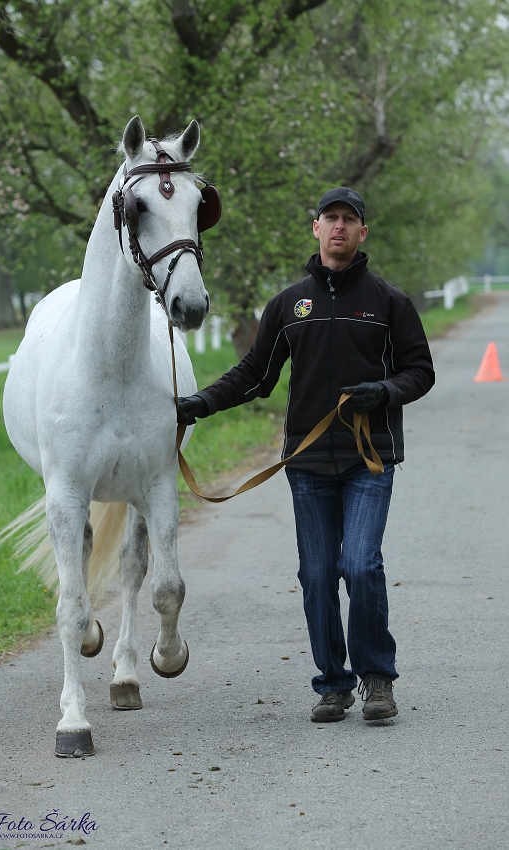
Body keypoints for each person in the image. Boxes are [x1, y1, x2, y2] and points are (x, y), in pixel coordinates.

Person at [177, 187, 435, 722]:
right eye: (330, 218)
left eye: (349, 219)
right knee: (317, 574)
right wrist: (198, 404)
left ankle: (377, 678)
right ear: (315, 228)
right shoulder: (289, 305)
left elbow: (420, 371)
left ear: (363, 232)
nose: (339, 227)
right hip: (308, 464)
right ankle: (333, 684)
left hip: (371, 459)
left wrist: (384, 392)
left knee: (359, 566)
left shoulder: (390, 302)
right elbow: (254, 375)